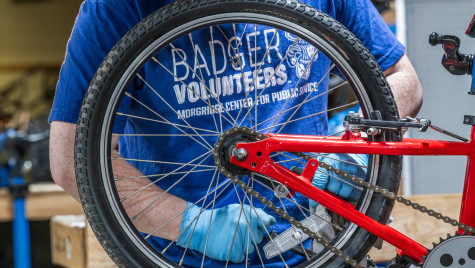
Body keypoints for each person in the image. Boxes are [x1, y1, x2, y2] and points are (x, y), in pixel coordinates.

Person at [49, 0, 423, 266]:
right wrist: (190, 225)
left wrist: (356, 144)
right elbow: (71, 161)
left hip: (319, 244)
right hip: (177, 258)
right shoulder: (116, 9)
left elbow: (402, 79)